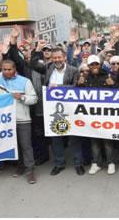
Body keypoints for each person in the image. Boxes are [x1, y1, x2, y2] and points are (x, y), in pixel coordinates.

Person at [0, 42, 38, 184]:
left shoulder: (25, 81)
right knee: (14, 145)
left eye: (9, 69)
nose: (6, 72)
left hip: (23, 119)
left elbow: (34, 99)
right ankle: (20, 166)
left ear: (14, 69)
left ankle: (30, 170)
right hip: (6, 120)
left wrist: (22, 97)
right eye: (4, 69)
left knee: (26, 146)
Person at [29, 41, 85, 176]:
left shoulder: (73, 70)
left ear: (64, 57)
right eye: (54, 58)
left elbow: (76, 88)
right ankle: (59, 163)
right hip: (53, 110)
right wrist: (37, 50)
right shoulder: (48, 68)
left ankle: (78, 163)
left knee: (74, 137)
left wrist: (59, 88)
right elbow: (33, 64)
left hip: (70, 110)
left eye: (59, 57)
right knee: (56, 138)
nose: (57, 60)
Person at [78, 55, 118, 175]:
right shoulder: (85, 78)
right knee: (94, 142)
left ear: (100, 65)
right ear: (89, 66)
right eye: (91, 65)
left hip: (106, 115)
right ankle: (96, 163)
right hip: (91, 116)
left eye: (96, 64)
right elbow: (76, 96)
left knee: (107, 142)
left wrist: (113, 85)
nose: (94, 66)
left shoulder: (108, 75)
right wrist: (78, 85)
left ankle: (111, 163)